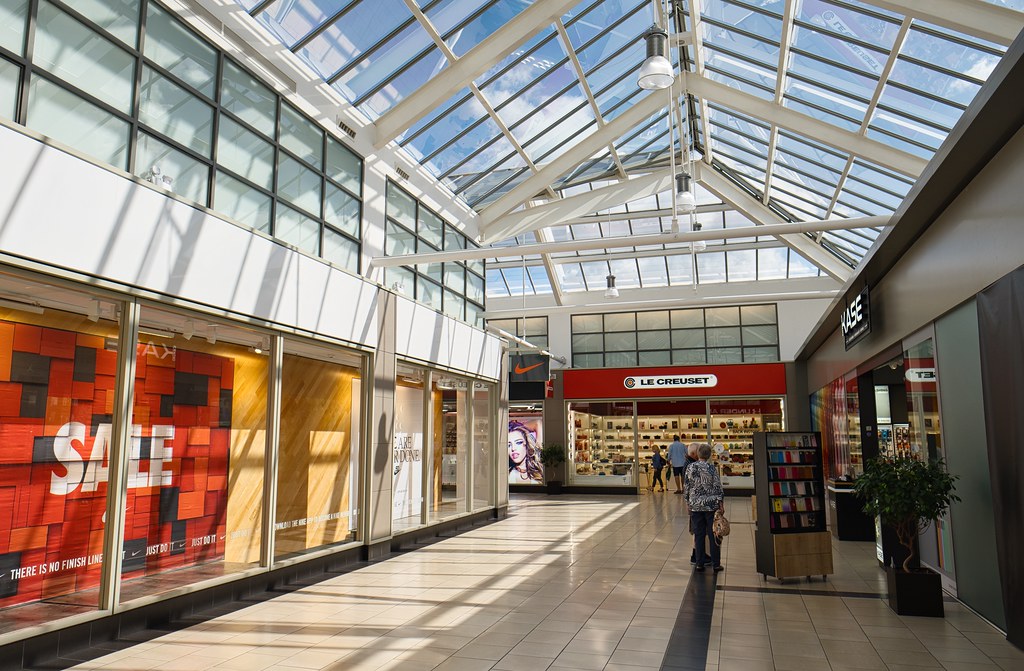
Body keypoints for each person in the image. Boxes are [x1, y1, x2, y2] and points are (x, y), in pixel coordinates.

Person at [686, 443, 724, 572]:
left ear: (698, 454)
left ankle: (699, 563)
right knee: (713, 534)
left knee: (699, 534)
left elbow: (687, 487)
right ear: (709, 455)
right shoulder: (712, 468)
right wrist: (721, 503)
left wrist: (688, 503)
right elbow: (718, 487)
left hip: (695, 505)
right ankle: (716, 563)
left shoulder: (691, 467)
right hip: (710, 505)